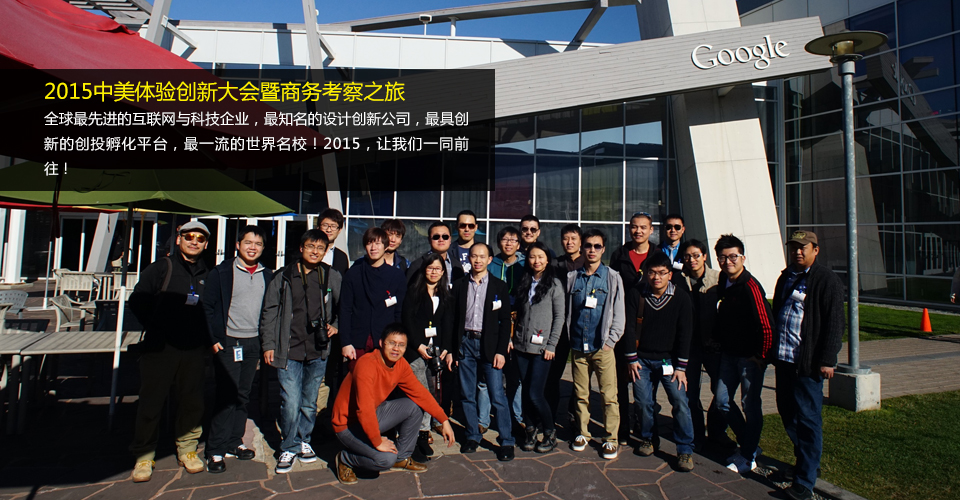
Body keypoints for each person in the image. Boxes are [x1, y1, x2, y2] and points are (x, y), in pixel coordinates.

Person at [128, 221, 212, 482]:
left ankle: (187, 449)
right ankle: (144, 455)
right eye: (189, 236)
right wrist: (157, 326)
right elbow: (137, 300)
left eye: (200, 238)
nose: (194, 241)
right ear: (178, 239)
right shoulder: (161, 268)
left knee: (192, 401)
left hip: (194, 348)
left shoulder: (207, 273)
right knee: (151, 402)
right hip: (161, 348)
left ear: (206, 244)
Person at [332, 324, 457, 485]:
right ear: (381, 343)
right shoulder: (366, 364)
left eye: (401, 345)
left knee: (415, 406)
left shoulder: (400, 365)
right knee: (385, 459)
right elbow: (364, 410)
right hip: (347, 425)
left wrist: (443, 420)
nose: (396, 348)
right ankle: (345, 459)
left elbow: (421, 393)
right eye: (392, 343)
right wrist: (378, 442)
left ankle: (402, 458)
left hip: (373, 414)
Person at [260, 229, 342, 473]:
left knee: (309, 402)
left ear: (326, 251)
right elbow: (269, 310)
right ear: (301, 248)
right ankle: (288, 446)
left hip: (318, 349)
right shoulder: (284, 276)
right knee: (290, 401)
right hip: (289, 349)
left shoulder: (331, 276)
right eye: (311, 247)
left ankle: (304, 440)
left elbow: (343, 306)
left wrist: (335, 326)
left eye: (320, 248)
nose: (315, 252)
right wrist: (269, 345)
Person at [772, 231, 844, 500]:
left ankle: (805, 481)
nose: (798, 252)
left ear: (816, 250)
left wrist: (827, 359)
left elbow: (835, 322)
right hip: (784, 359)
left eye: (803, 248)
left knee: (808, 418)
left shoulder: (826, 280)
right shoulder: (786, 276)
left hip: (808, 364)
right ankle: (805, 461)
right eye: (794, 248)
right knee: (787, 413)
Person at [202, 225, 274, 473]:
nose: (253, 248)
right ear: (238, 245)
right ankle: (215, 449)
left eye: (258, 244)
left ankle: (234, 442)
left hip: (253, 342)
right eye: (248, 242)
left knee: (243, 395)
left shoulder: (267, 275)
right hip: (228, 342)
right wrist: (213, 338)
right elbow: (207, 307)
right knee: (226, 396)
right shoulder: (222, 272)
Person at [623, 252, 695, 472]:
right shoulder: (637, 293)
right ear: (646, 273)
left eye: (662, 273)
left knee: (680, 402)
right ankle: (648, 439)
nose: (657, 277)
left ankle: (684, 449)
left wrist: (681, 367)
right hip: (641, 360)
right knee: (644, 403)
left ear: (670, 275)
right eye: (652, 272)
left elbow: (685, 333)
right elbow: (629, 327)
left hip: (669, 361)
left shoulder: (681, 297)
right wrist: (631, 358)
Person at [449, 242, 516, 461]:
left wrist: (501, 351)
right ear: (469, 259)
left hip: (490, 346)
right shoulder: (460, 285)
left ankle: (506, 440)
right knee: (467, 395)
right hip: (466, 344)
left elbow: (505, 321)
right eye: (473, 256)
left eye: (482, 256)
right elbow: (453, 320)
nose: (477, 260)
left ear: (489, 260)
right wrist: (452, 349)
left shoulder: (499, 286)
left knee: (497, 396)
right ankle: (472, 435)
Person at [712, 234, 774, 474]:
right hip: (729, 354)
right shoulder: (724, 280)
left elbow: (766, 325)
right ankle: (750, 443)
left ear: (743, 258)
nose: (728, 262)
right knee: (722, 401)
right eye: (723, 258)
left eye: (733, 257)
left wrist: (762, 356)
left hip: (749, 358)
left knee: (750, 405)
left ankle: (747, 456)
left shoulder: (751, 286)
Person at [608, 212, 669, 445]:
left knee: (646, 384)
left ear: (651, 230)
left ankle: (647, 428)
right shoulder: (620, 255)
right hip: (624, 323)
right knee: (621, 380)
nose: (638, 231)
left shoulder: (658, 255)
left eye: (643, 227)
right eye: (634, 227)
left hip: (650, 326)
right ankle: (623, 426)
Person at [566, 229, 626, 460]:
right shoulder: (573, 277)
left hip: (602, 347)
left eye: (597, 246)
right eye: (588, 245)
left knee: (609, 395)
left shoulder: (612, 277)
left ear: (603, 249)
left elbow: (619, 313)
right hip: (578, 347)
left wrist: (611, 342)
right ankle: (583, 433)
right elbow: (569, 311)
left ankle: (611, 438)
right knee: (580, 394)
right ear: (582, 248)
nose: (592, 250)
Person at [679, 239, 732, 452]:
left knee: (720, 393)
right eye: (687, 256)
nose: (692, 260)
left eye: (696, 255)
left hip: (714, 346)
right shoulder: (679, 280)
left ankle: (717, 431)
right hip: (690, 347)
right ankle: (697, 435)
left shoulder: (718, 279)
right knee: (690, 394)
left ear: (704, 257)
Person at [401, 253, 454, 459]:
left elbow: (447, 323)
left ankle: (427, 428)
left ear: (443, 272)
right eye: (430, 268)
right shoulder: (414, 292)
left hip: (436, 350)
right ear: (424, 270)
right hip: (416, 351)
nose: (434, 272)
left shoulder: (445, 294)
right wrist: (417, 345)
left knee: (433, 391)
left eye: (437, 269)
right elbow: (408, 320)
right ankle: (420, 433)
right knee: (420, 391)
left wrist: (446, 347)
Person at [512, 242, 564, 453]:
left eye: (541, 257)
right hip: (521, 346)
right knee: (525, 392)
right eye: (532, 257)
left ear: (547, 259)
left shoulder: (554, 285)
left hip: (542, 349)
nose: (536, 261)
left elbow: (559, 317)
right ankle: (531, 430)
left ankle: (550, 432)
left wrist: (552, 344)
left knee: (535, 393)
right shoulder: (524, 281)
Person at [340, 227, 407, 370]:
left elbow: (399, 312)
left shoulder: (396, 276)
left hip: (386, 340)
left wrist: (398, 342)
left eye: (377, 243)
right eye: (369, 243)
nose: (373, 247)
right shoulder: (353, 274)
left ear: (385, 246)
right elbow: (345, 310)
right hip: (358, 340)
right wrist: (345, 342)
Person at [487, 226, 526, 433]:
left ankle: (516, 416)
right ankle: (485, 418)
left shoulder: (524, 265)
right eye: (504, 239)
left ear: (519, 245)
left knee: (515, 375)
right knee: (492, 373)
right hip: (494, 322)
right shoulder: (491, 264)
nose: (508, 243)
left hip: (519, 322)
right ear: (498, 242)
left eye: (513, 240)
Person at [546, 224, 584, 421]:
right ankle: (549, 416)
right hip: (559, 325)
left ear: (580, 241)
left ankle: (574, 415)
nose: (569, 242)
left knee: (581, 375)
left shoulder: (587, 263)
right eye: (565, 238)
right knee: (553, 373)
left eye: (573, 238)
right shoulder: (555, 264)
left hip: (581, 325)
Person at [318, 208, 350, 276]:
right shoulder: (309, 253)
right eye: (325, 225)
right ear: (318, 227)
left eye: (333, 226)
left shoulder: (342, 257)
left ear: (339, 230)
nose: (329, 230)